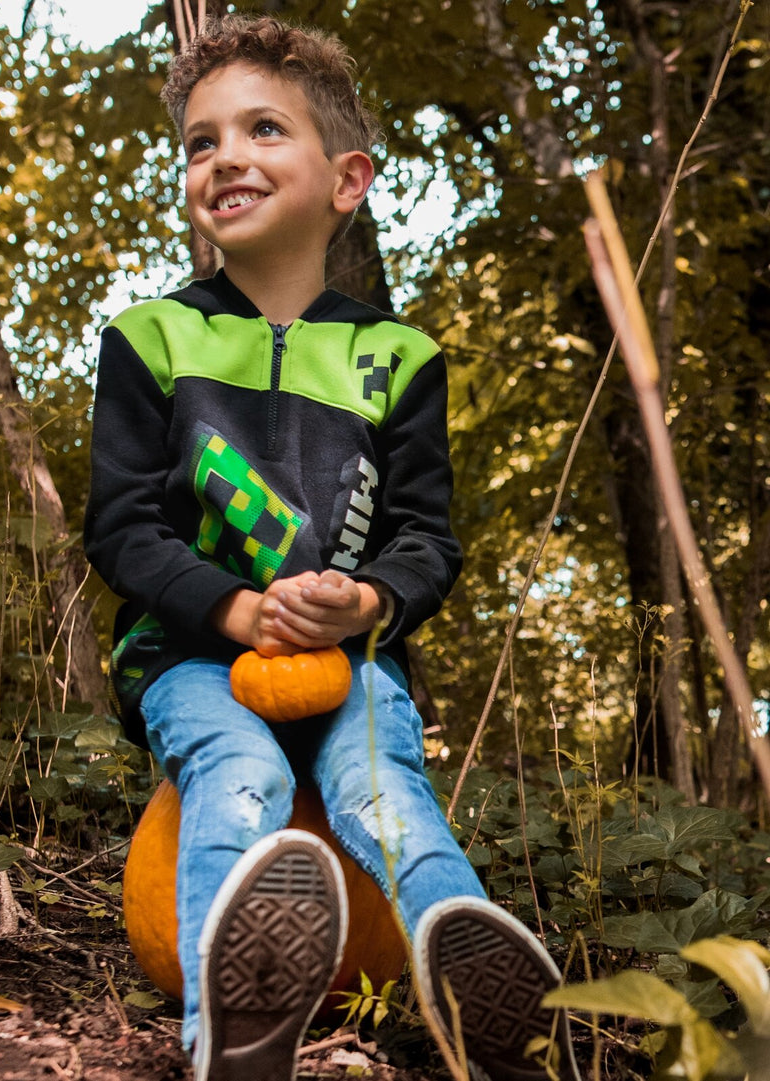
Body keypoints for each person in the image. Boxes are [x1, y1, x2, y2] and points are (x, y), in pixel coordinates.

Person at [83, 14, 581, 1081]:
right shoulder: (149, 340)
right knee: (240, 768)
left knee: (381, 778)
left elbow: (424, 540)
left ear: (346, 180)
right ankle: (231, 1030)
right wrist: (232, 610)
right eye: (200, 142)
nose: (226, 158)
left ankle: (481, 994)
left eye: (264, 128)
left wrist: (366, 606)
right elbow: (122, 526)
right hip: (192, 653)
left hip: (348, 658)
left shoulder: (396, 358)